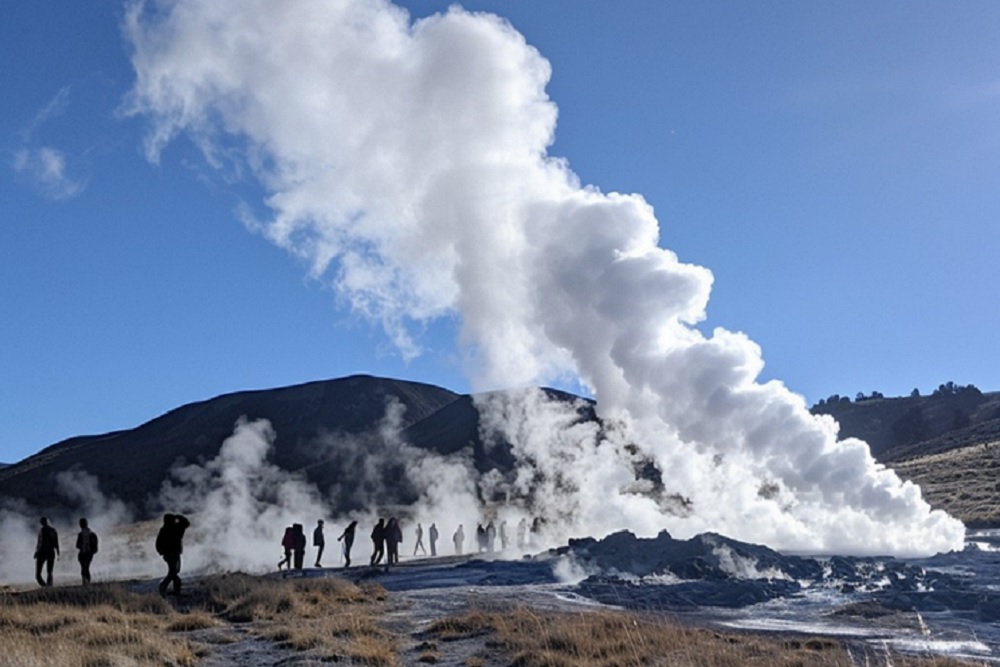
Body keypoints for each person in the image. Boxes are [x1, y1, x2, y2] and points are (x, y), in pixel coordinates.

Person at [155, 513, 190, 596]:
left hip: (169, 554)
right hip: (173, 554)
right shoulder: (176, 528)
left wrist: (161, 552)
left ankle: (170, 588)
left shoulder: (164, 530)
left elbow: (158, 544)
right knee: (173, 572)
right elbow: (186, 523)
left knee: (174, 572)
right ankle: (166, 587)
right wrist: (179, 516)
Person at [34, 517, 59, 587]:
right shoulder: (53, 530)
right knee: (50, 572)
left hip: (42, 552)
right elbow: (56, 543)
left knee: (38, 574)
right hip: (51, 552)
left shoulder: (42, 530)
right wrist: (58, 552)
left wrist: (37, 552)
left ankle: (45, 586)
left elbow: (40, 543)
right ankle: (49, 586)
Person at [75, 518, 98, 585]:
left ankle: (85, 582)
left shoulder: (80, 534)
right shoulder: (92, 534)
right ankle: (87, 582)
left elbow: (77, 546)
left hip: (82, 554)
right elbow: (95, 548)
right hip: (89, 554)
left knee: (84, 568)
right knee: (86, 568)